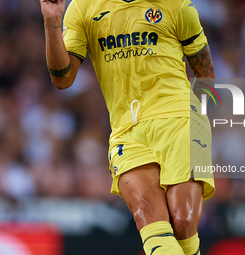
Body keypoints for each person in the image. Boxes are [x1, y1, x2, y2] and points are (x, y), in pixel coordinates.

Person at [39, 0, 215, 254]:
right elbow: (62, 78)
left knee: (183, 222)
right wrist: (52, 19)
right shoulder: (83, 7)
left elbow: (205, 71)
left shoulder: (176, 5)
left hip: (179, 118)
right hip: (127, 130)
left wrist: (199, 121)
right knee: (147, 214)